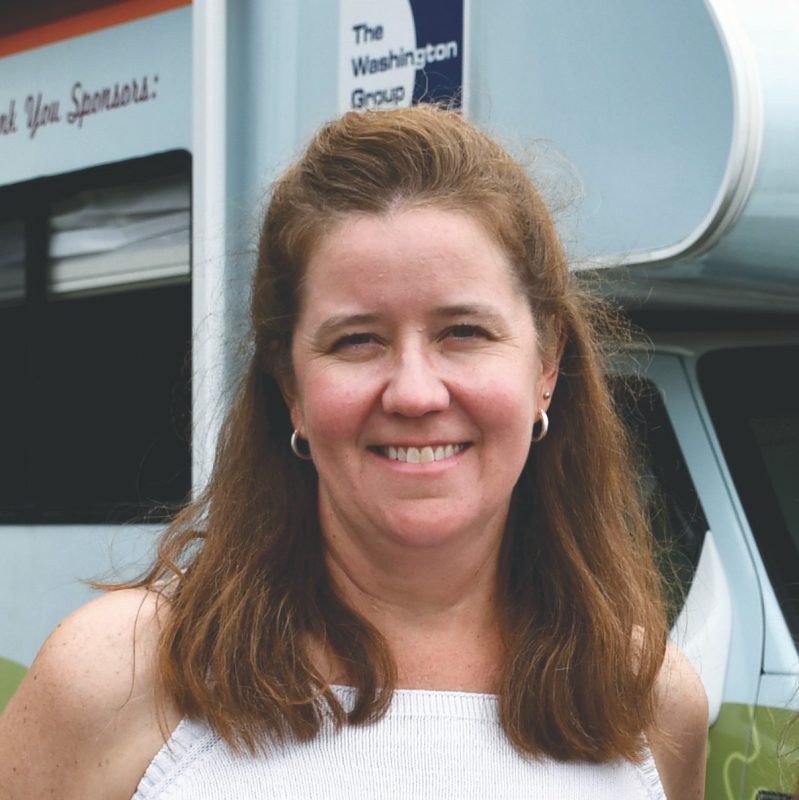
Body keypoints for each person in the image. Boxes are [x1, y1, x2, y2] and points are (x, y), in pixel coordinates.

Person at [0, 105, 707, 799]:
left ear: (546, 365)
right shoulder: (120, 676)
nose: (414, 392)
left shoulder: (648, 697)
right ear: (291, 388)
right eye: (356, 340)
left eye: (462, 331)